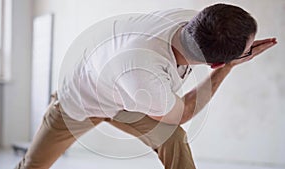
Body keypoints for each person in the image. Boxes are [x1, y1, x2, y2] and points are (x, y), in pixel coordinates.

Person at [15, 3, 277, 169]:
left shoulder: (190, 24)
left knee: (173, 139)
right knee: (33, 166)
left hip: (125, 97)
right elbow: (183, 112)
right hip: (80, 100)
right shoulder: (145, 74)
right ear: (216, 64)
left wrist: (230, 58)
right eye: (246, 51)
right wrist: (231, 66)